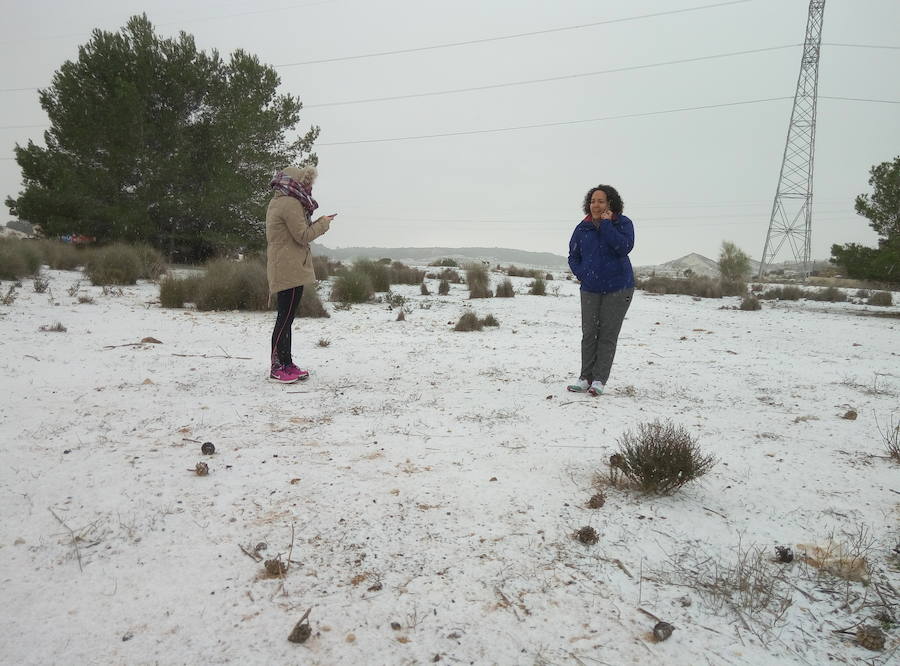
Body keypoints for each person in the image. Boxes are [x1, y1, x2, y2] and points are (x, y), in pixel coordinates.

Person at [266, 165, 336, 383]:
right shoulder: (289, 203)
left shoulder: (282, 200)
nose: (309, 187)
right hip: (288, 267)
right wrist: (323, 224)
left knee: (287, 318)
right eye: (306, 182)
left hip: (289, 265)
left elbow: (297, 233)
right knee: (284, 317)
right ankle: (278, 366)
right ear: (295, 182)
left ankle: (287, 363)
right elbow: (303, 235)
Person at [566, 184, 635, 396]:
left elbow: (624, 247)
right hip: (591, 288)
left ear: (610, 203)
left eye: (601, 201)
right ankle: (585, 377)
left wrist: (607, 225)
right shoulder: (582, 228)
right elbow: (573, 256)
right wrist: (582, 274)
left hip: (618, 288)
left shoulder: (623, 224)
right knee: (589, 333)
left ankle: (599, 380)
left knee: (607, 335)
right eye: (593, 201)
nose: (595, 205)